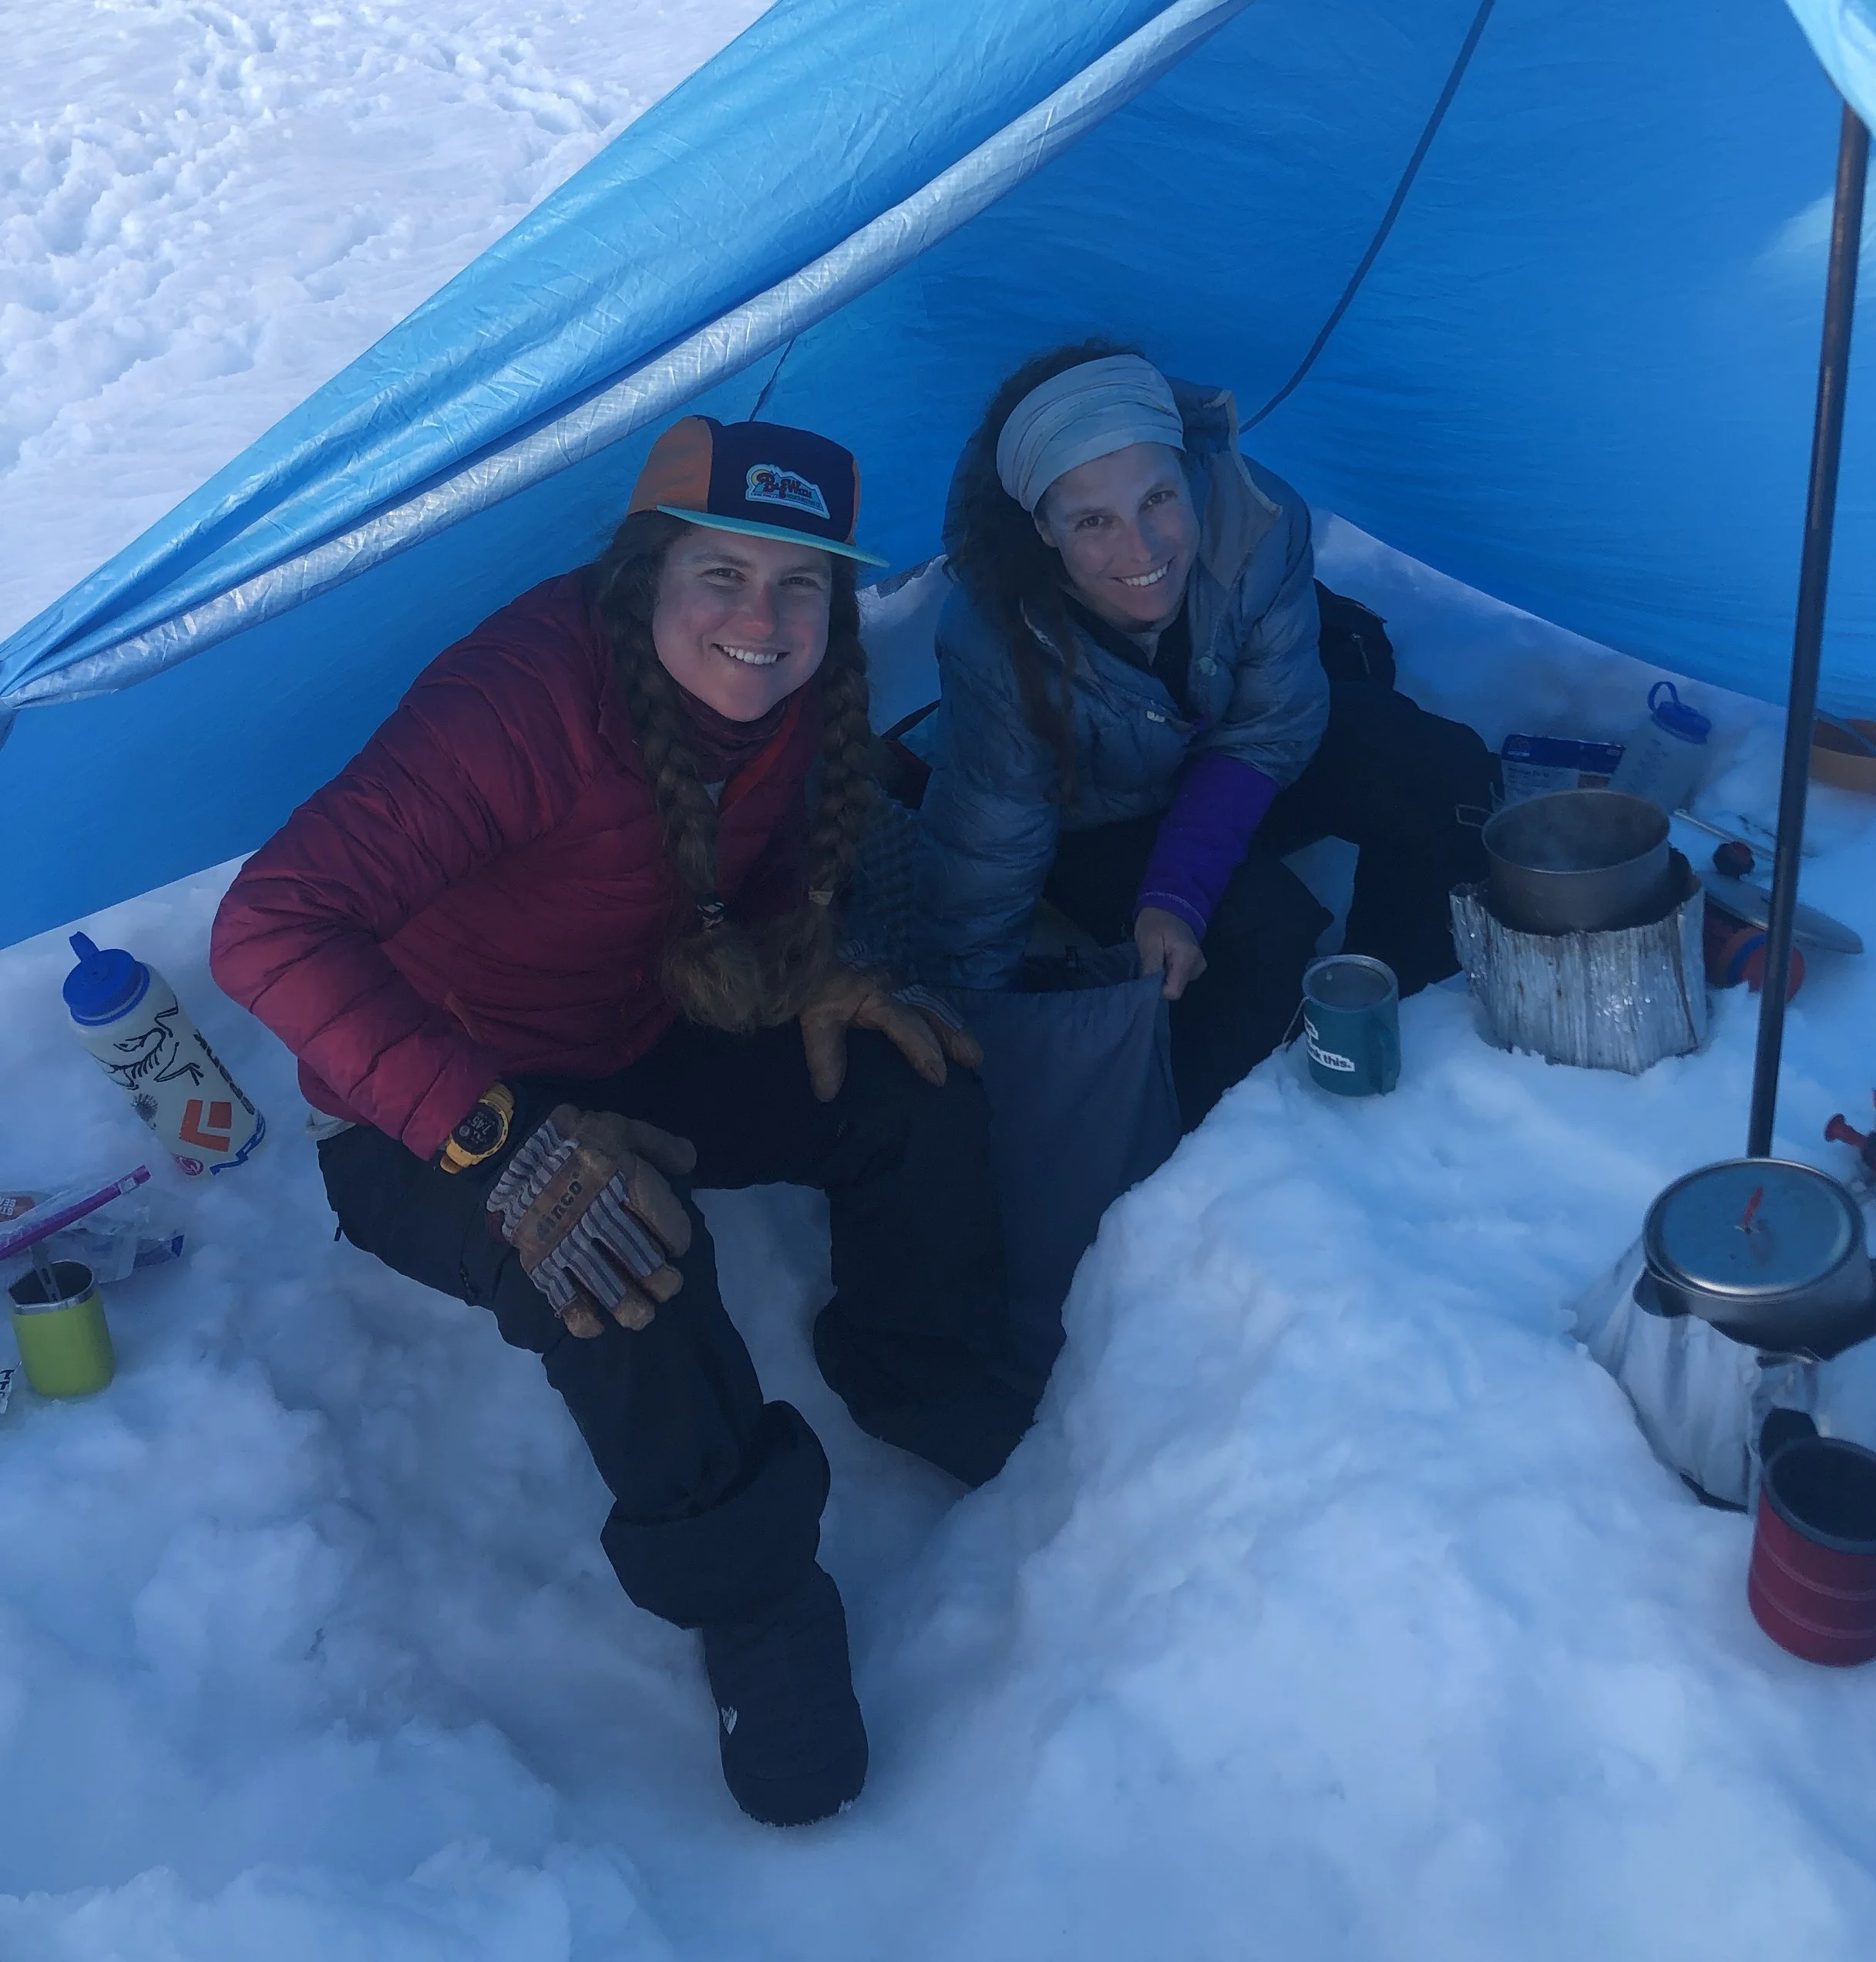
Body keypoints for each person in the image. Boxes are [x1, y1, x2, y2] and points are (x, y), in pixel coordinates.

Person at [210, 416, 1030, 1830]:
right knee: (616, 1259)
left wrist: (806, 968)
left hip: (633, 1028)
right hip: (427, 1108)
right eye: (722, 574)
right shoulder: (522, 703)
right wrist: (506, 1143)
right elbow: (267, 926)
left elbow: (763, 869)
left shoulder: (791, 700)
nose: (762, 622)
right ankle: (754, 1602)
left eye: (801, 587)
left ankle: (919, 1371)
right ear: (642, 574)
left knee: (903, 1074)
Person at [913, 345, 1498, 1127]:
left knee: (1439, 770)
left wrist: (1179, 885)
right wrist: (971, 1030)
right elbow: (987, 850)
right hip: (1095, 814)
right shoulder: (995, 635)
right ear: (1043, 530)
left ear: (1189, 472)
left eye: (1157, 497)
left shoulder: (1258, 525)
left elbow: (1272, 724)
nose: (1143, 551)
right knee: (1257, 935)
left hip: (1227, 753)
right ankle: (1197, 1153)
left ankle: (1400, 1020)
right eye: (1093, 520)